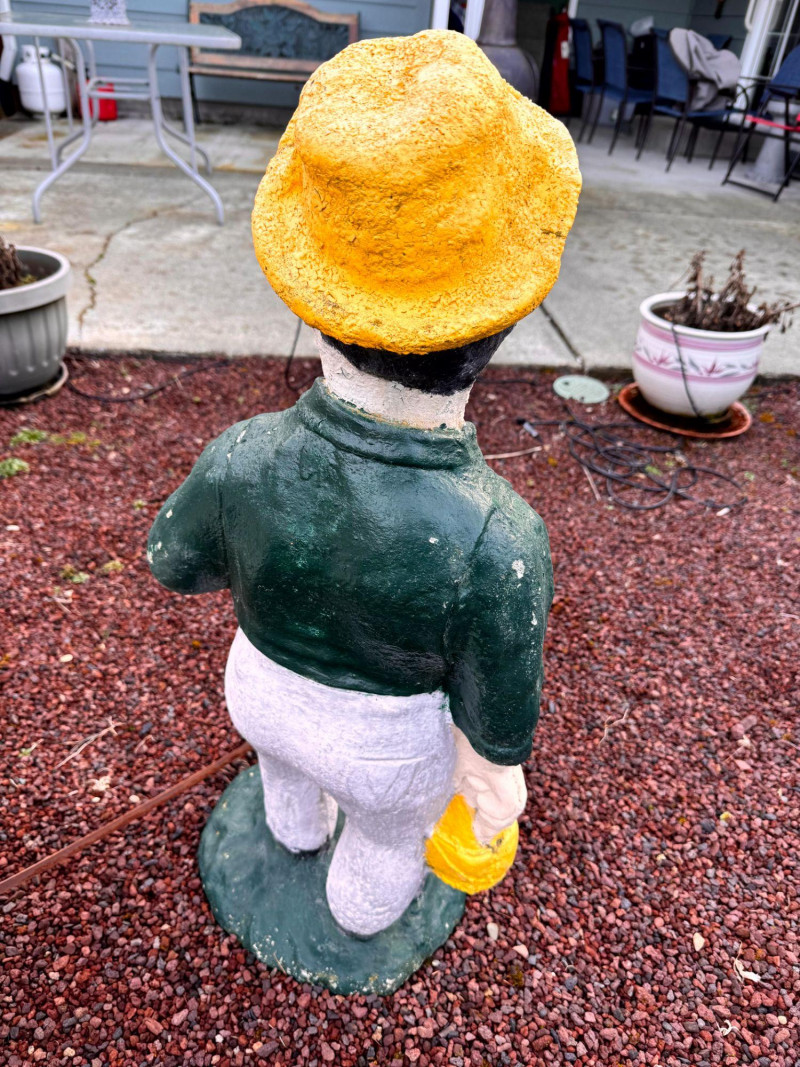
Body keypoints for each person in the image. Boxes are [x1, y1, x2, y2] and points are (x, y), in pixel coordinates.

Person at [148, 29, 581, 939]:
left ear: (312, 291)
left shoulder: (243, 452)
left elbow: (174, 563)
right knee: (385, 842)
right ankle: (359, 910)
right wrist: (497, 780)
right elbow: (497, 719)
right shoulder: (499, 537)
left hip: (262, 691)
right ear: (502, 314)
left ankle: (293, 827)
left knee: (284, 780)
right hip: (386, 747)